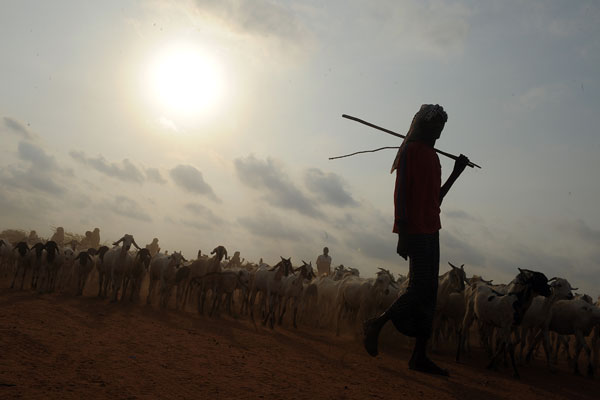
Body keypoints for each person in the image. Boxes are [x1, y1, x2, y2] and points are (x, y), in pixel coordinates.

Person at [362, 104, 470, 376]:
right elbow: (400, 196)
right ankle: (376, 323)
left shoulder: (434, 158)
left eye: (441, 129)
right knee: (418, 289)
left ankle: (419, 356)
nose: (438, 134)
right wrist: (402, 233)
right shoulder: (410, 152)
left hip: (433, 229)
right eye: (434, 128)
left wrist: (457, 172)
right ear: (422, 127)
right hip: (416, 231)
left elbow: (437, 199)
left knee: (430, 296)